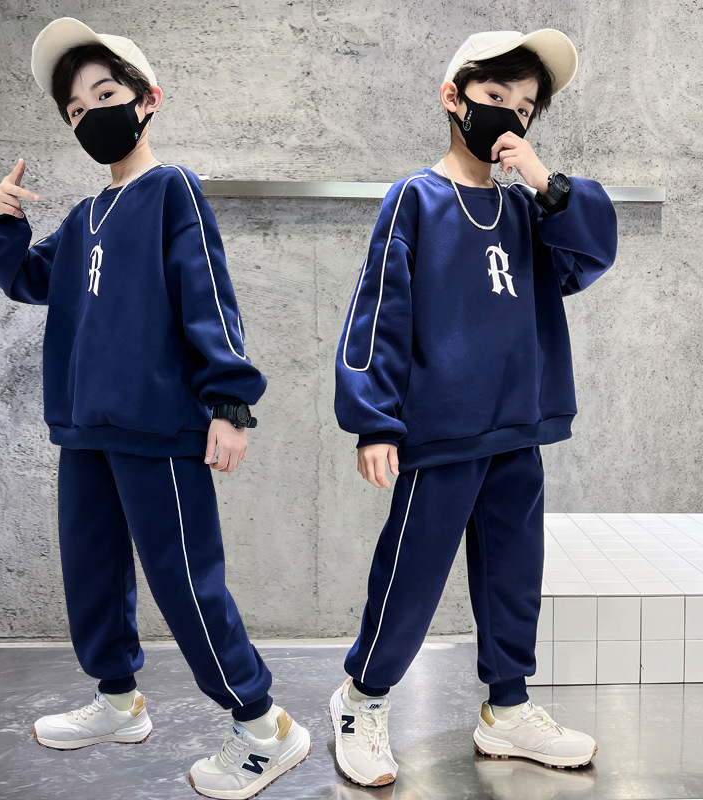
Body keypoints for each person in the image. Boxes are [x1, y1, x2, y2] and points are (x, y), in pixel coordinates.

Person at [0, 17, 310, 800]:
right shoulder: (85, 216)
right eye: (75, 110)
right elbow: (26, 278)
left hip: (159, 427)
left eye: (104, 95)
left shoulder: (170, 189)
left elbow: (208, 293)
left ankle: (265, 727)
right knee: (93, 573)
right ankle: (118, 703)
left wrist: (229, 401)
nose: (89, 115)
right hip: (86, 427)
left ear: (148, 99)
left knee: (186, 582)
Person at [330, 28, 618, 786]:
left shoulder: (530, 210)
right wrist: (374, 421)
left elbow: (592, 255)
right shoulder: (415, 199)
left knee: (513, 575)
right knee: (411, 574)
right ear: (453, 98)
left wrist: (546, 183)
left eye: (524, 108)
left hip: (517, 424)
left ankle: (507, 709)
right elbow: (377, 313)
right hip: (440, 431)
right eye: (495, 97)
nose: (510, 117)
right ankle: (362, 699)